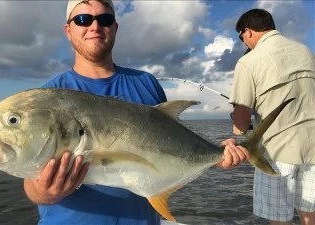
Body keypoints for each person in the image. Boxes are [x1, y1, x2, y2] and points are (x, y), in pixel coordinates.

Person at [24, 1, 249, 224]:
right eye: (83, 19)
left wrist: (215, 156)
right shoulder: (50, 98)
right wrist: (45, 192)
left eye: (105, 19)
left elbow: (173, 147)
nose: (94, 26)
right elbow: (31, 184)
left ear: (115, 27)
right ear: (68, 29)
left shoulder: (146, 83)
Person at [230, 8, 315, 225]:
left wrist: (239, 127)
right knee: (309, 214)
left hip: (278, 153)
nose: (244, 42)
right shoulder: (305, 51)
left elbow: (241, 119)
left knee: (279, 219)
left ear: (247, 31)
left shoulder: (248, 61)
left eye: (241, 37)